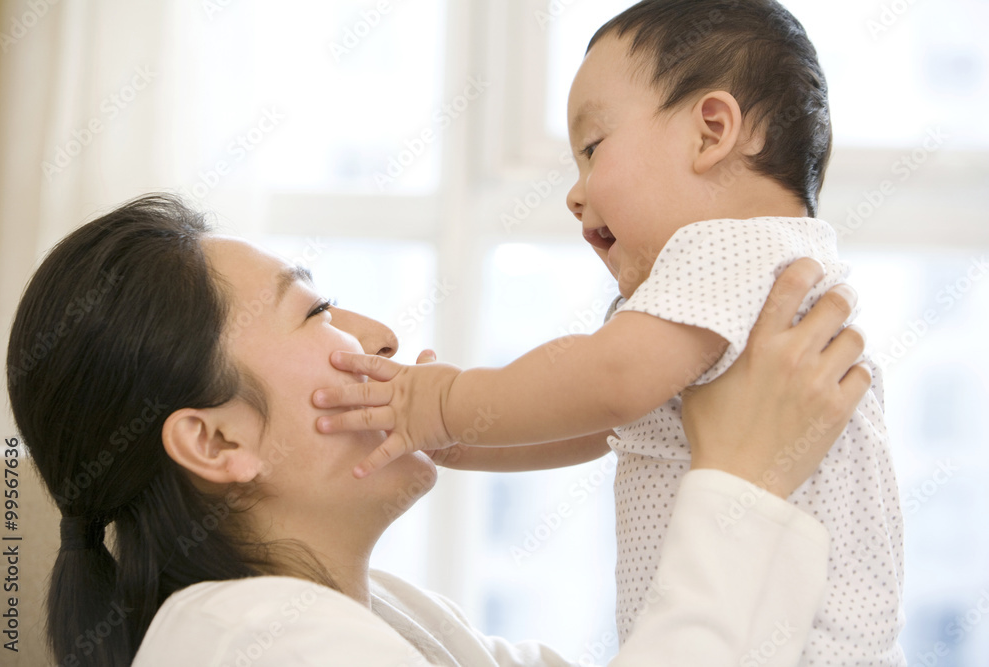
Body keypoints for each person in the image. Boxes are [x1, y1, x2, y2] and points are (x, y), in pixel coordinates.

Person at [6, 194, 868, 666]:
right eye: (316, 314)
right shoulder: (249, 643)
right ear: (217, 442)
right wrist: (743, 482)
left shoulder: (389, 621)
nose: (380, 336)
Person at [312, 1, 905, 663]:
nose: (575, 193)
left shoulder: (731, 254)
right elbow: (592, 424)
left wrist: (442, 402)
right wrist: (453, 435)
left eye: (592, 148)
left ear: (711, 132)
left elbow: (608, 383)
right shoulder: (734, 287)